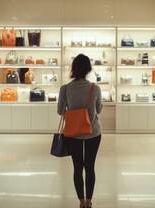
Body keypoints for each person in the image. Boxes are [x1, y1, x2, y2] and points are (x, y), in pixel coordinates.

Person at [57, 54, 103, 208]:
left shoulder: (65, 88)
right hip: (93, 132)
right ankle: (89, 202)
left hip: (73, 133)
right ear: (88, 69)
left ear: (73, 69)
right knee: (90, 167)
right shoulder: (95, 88)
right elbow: (98, 110)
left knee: (77, 167)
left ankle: (81, 202)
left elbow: (59, 111)